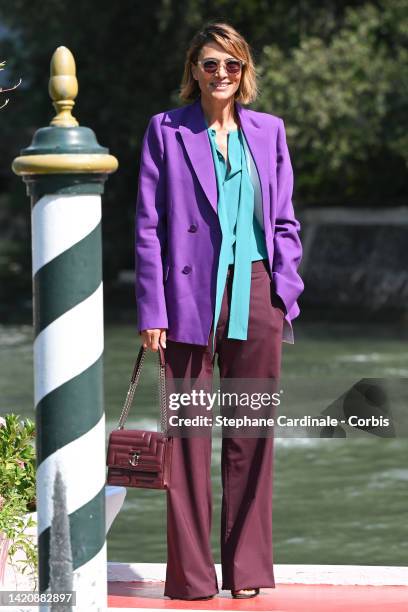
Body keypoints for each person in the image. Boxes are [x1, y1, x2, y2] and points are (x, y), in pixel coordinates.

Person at [135, 21, 304, 601]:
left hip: (257, 291)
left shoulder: (270, 131)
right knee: (186, 436)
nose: (222, 74)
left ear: (244, 71)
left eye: (232, 64)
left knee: (251, 434)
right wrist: (152, 307)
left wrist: (286, 289)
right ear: (194, 71)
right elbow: (149, 227)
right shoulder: (165, 130)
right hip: (187, 297)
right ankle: (191, 578)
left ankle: (249, 574)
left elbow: (284, 218)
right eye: (211, 64)